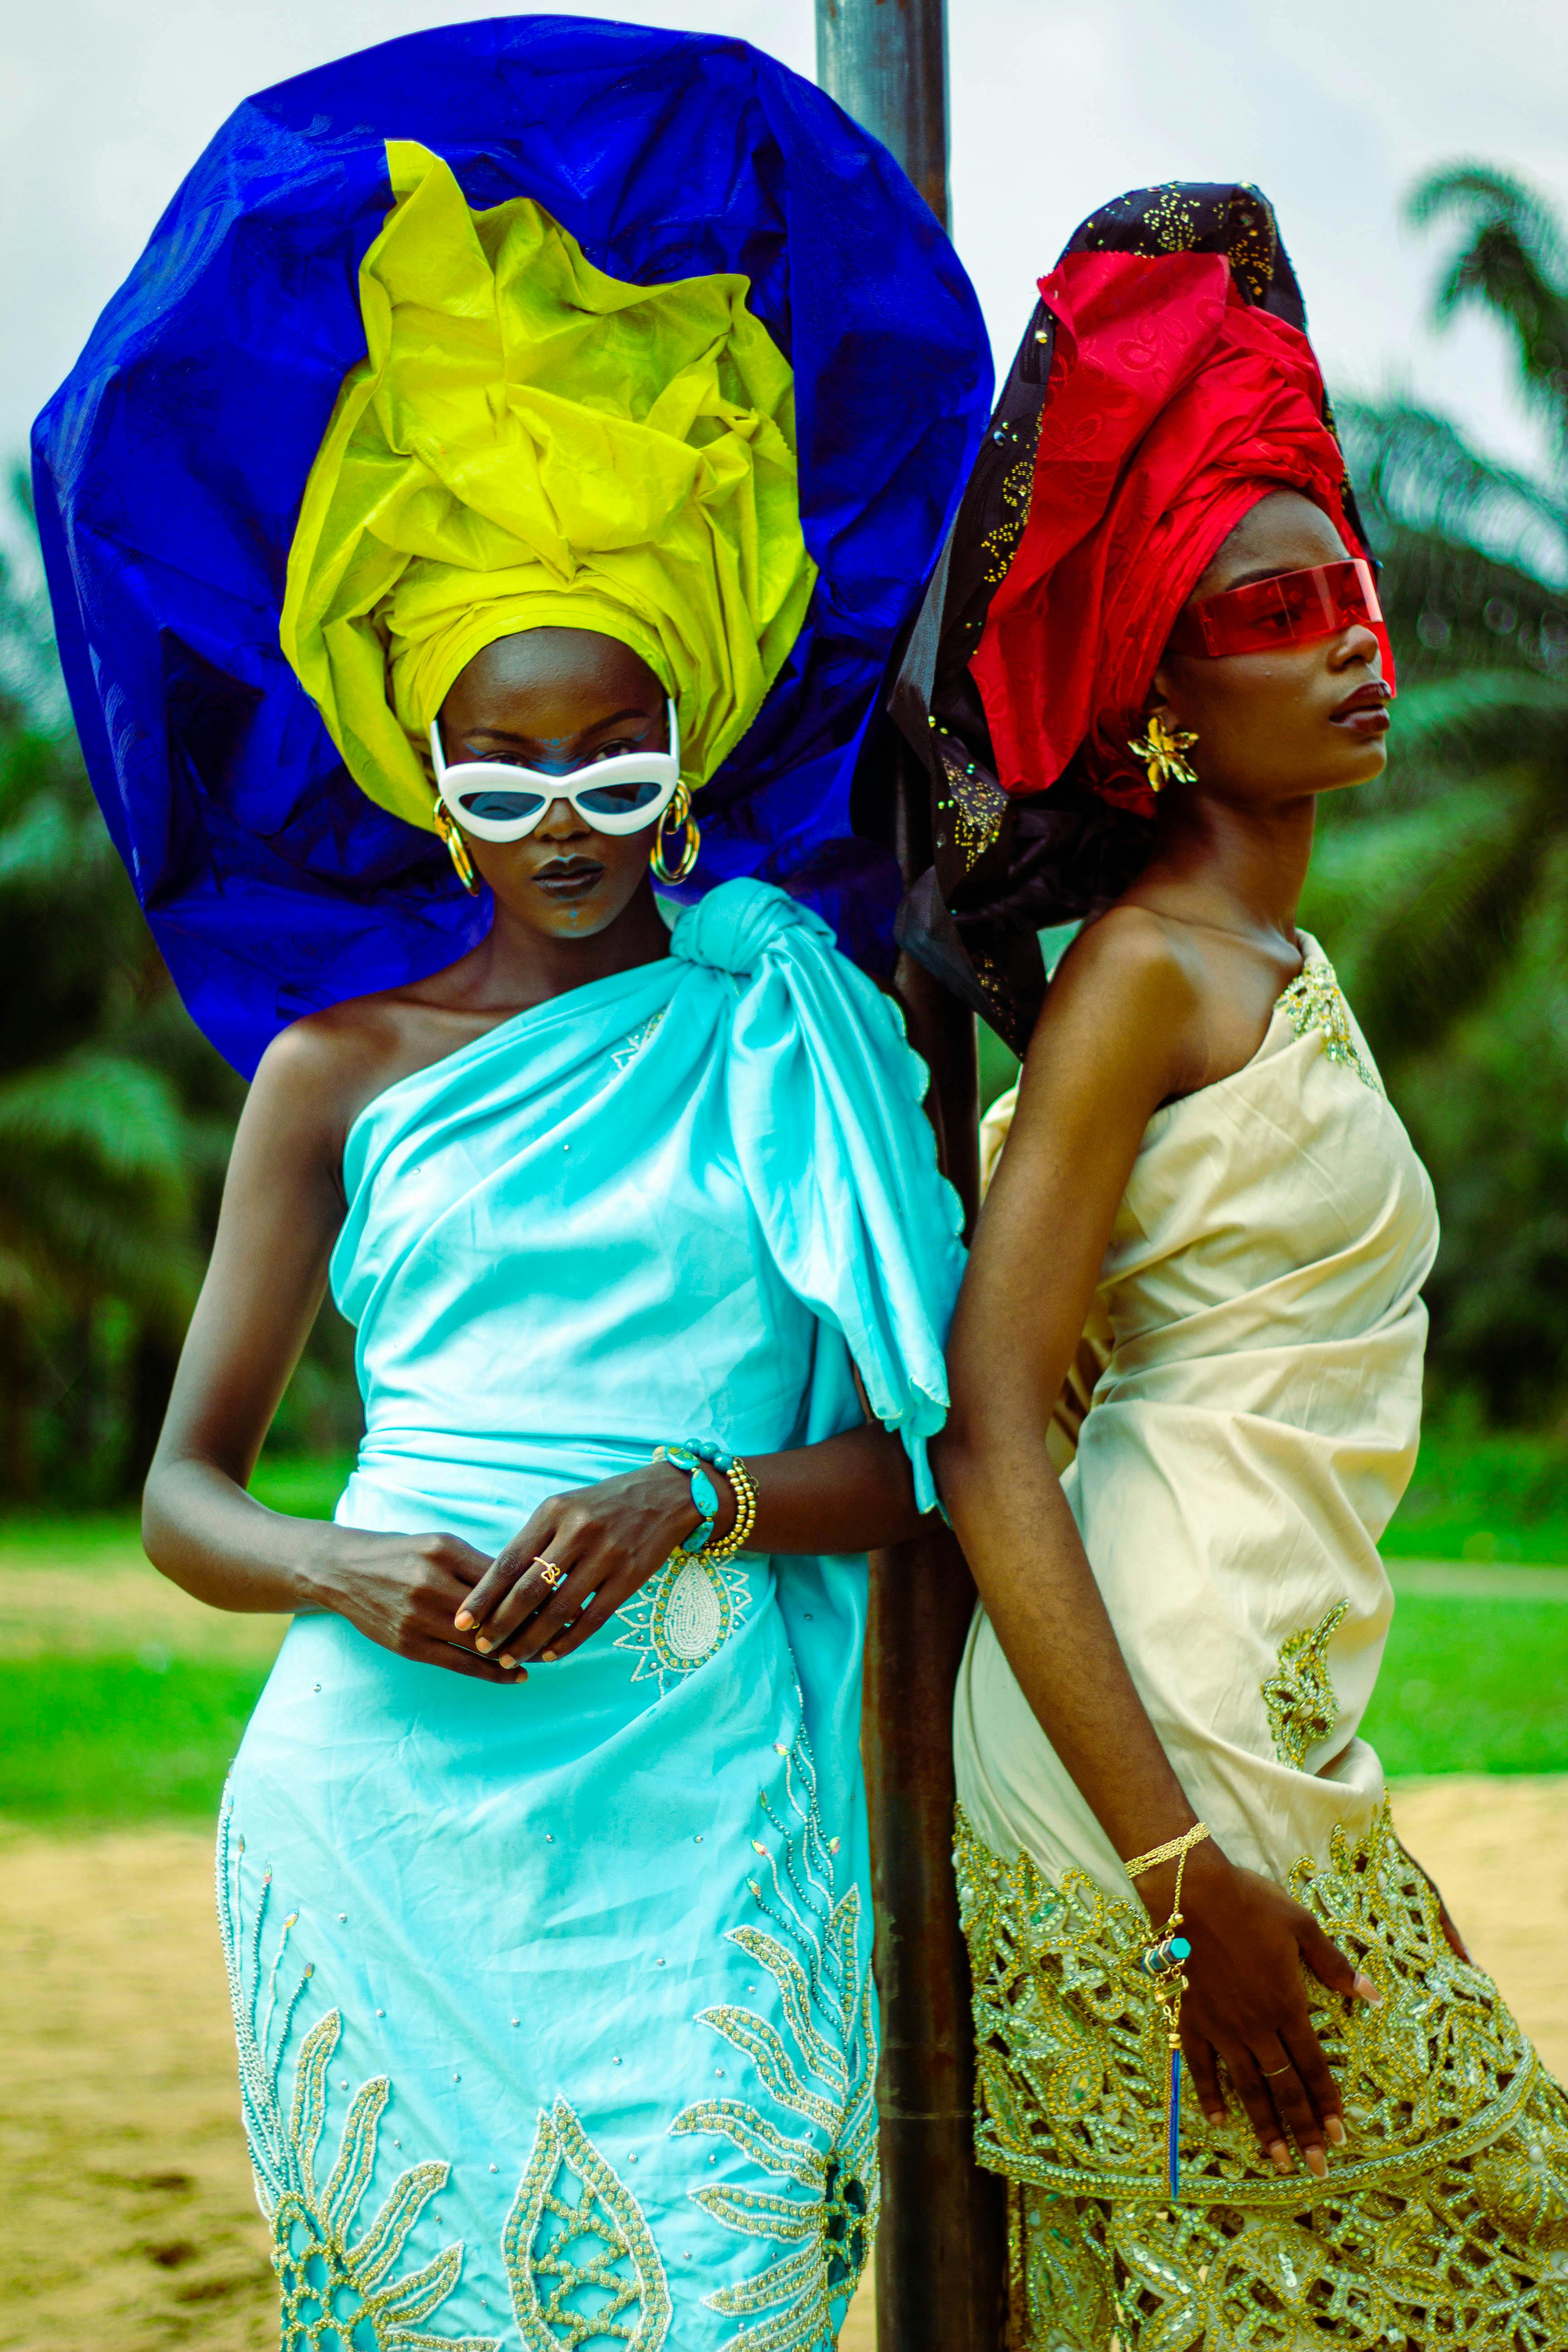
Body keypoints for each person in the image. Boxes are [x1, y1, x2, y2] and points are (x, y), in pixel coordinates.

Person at [34, 25, 993, 2347]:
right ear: (422, 770)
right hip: (383, 1819)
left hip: (705, 1823)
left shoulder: (791, 1024)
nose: (563, 815)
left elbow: (931, 1456)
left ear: (686, 759)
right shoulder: (331, 1076)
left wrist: (697, 1499)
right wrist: (339, 1564)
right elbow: (183, 1495)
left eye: (612, 753)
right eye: (506, 763)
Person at [893, 187, 1568, 2349]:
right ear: (1166, 687)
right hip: (1147, 1765)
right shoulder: (1137, 981)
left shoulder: (1266, 959)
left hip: (1257, 1717)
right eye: (1276, 609)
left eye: (1348, 592)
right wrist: (1180, 1881)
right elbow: (993, 1425)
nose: (1352, 636)